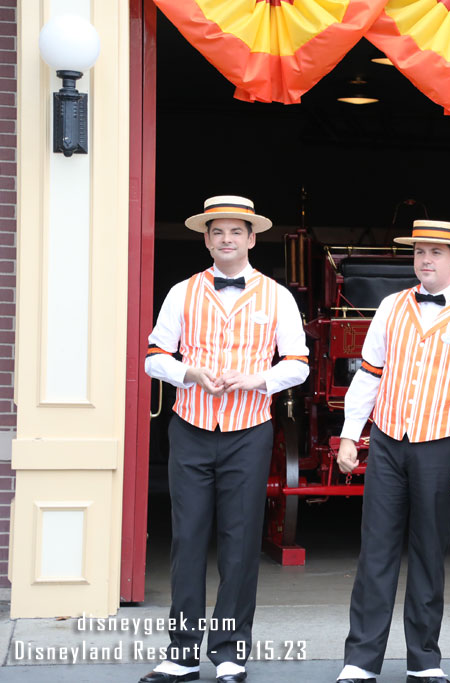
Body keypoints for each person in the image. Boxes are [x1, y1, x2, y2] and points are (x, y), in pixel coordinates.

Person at [142, 195, 310, 683]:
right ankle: (183, 651)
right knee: (188, 540)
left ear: (252, 238)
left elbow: (297, 365)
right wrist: (189, 372)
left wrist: (258, 379)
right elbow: (154, 357)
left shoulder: (277, 296)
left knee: (240, 543)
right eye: (218, 232)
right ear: (207, 238)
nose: (227, 240)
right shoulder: (183, 291)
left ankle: (231, 651)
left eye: (236, 232)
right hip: (190, 427)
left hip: (249, 431)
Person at [334, 220, 450, 683]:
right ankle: (360, 661)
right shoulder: (391, 306)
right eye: (419, 252)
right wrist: (351, 433)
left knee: (429, 553)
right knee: (376, 552)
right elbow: (368, 376)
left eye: (436, 252)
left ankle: (424, 660)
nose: (426, 259)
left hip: (444, 444)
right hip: (389, 442)